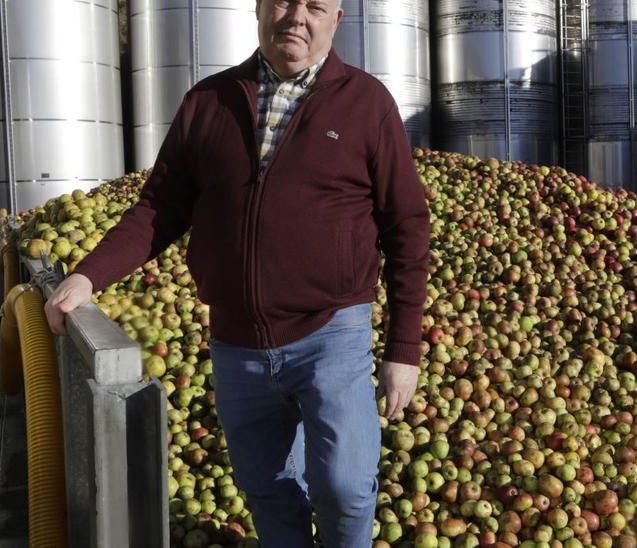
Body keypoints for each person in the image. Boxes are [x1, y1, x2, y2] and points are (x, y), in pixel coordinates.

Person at [43, 0, 431, 545]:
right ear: (258, 8)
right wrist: (88, 276)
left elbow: (407, 227)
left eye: (315, 6)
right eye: (282, 1)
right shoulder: (209, 100)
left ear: (336, 20)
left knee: (344, 487)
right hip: (236, 343)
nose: (296, 16)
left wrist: (403, 348)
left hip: (332, 335)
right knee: (266, 486)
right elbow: (159, 207)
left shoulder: (366, 103)